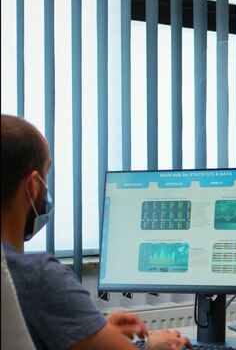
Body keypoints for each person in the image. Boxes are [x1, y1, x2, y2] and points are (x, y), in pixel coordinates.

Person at [1, 115, 192, 350]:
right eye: (46, 174)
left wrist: (90, 327)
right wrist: (155, 346)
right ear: (34, 186)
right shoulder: (39, 278)